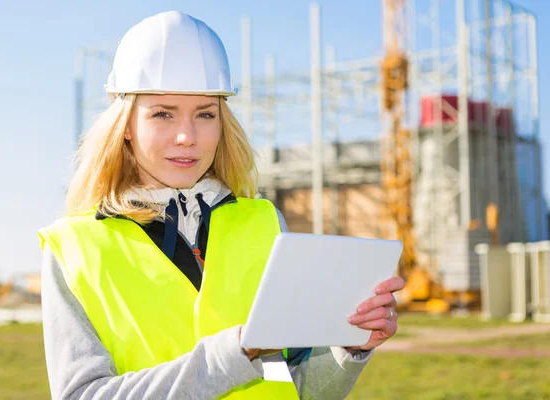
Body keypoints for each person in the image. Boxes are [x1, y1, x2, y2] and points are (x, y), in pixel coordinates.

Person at [39, 11, 405, 400]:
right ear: (126, 125)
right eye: (162, 113)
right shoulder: (73, 248)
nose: (187, 136)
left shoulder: (263, 223)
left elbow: (288, 386)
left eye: (205, 114)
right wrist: (233, 355)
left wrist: (348, 347)